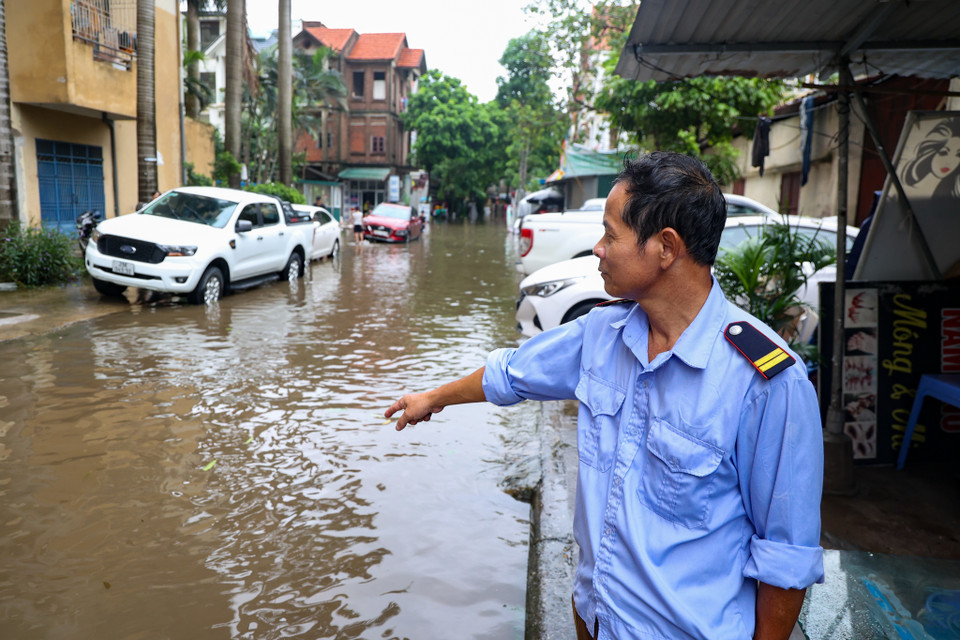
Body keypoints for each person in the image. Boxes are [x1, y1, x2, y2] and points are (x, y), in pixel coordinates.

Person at [385, 152, 824, 640]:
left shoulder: (766, 382)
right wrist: (434, 397)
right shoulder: (602, 333)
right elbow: (511, 373)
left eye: (611, 235)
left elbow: (786, 556)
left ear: (666, 247)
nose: (597, 248)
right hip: (595, 621)